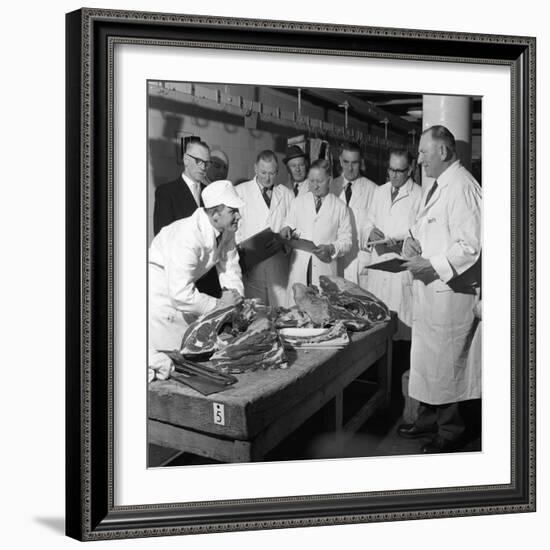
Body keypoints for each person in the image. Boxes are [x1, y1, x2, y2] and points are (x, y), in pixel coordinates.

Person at [398, 125, 482, 453]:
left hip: (450, 294)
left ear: (443, 152)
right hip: (432, 293)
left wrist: (432, 265)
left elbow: (471, 246)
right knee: (428, 363)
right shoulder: (440, 185)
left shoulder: (462, 187)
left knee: (448, 365)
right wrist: (412, 240)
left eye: (422, 152)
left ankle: (450, 432)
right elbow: (430, 228)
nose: (419, 160)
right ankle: (427, 420)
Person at [148, 180, 244, 358]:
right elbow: (180, 294)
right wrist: (221, 305)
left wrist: (235, 298)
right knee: (170, 360)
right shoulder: (188, 236)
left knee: (189, 353)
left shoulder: (226, 229)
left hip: (182, 292)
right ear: (215, 214)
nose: (238, 216)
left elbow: (230, 266)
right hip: (162, 298)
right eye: (233, 211)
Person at [362, 149, 422, 341]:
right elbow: (367, 222)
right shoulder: (379, 192)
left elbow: (422, 235)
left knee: (400, 336)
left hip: (401, 272)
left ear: (410, 170)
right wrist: (369, 231)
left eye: (399, 170)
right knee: (375, 335)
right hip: (378, 268)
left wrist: (404, 244)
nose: (394, 175)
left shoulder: (420, 196)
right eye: (391, 170)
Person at [153, 140, 221, 297]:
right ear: (186, 160)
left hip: (210, 279)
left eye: (207, 163)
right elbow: (163, 237)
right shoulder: (166, 192)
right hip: (182, 280)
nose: (203, 167)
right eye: (199, 161)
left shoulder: (210, 194)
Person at [280, 159, 352, 301]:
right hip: (300, 268)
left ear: (329, 181)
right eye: (311, 181)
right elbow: (287, 225)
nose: (315, 186)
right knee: (297, 314)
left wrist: (331, 248)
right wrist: (285, 230)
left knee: (323, 314)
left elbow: (347, 241)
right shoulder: (298, 202)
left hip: (325, 268)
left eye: (319, 181)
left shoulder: (340, 207)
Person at [235, 150, 294, 307]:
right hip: (251, 267)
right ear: (255, 168)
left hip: (279, 266)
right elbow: (234, 230)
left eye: (272, 173)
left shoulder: (286, 194)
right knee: (256, 316)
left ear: (277, 172)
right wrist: (241, 257)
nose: (268, 178)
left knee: (282, 314)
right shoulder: (240, 192)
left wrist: (288, 232)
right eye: (263, 173)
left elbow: (295, 224)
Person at [330, 142, 377, 286]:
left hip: (360, 263)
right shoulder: (331, 187)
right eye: (346, 162)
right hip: (335, 262)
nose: (350, 168)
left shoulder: (374, 190)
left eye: (355, 163)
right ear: (340, 161)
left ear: (361, 162)